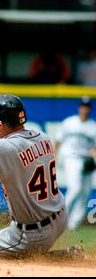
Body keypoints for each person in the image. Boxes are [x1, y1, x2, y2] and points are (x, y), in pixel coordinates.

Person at [0, 94, 80, 258]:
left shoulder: (6, 148)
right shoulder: (43, 137)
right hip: (61, 216)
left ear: (0, 123)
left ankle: (55, 257)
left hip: (36, 233)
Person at [54, 96, 96, 230]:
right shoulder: (70, 122)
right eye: (83, 106)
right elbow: (58, 139)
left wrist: (93, 152)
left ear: (89, 109)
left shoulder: (92, 126)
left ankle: (72, 225)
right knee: (75, 188)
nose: (85, 109)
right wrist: (55, 156)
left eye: (87, 107)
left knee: (86, 193)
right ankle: (59, 218)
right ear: (79, 108)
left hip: (86, 160)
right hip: (71, 157)